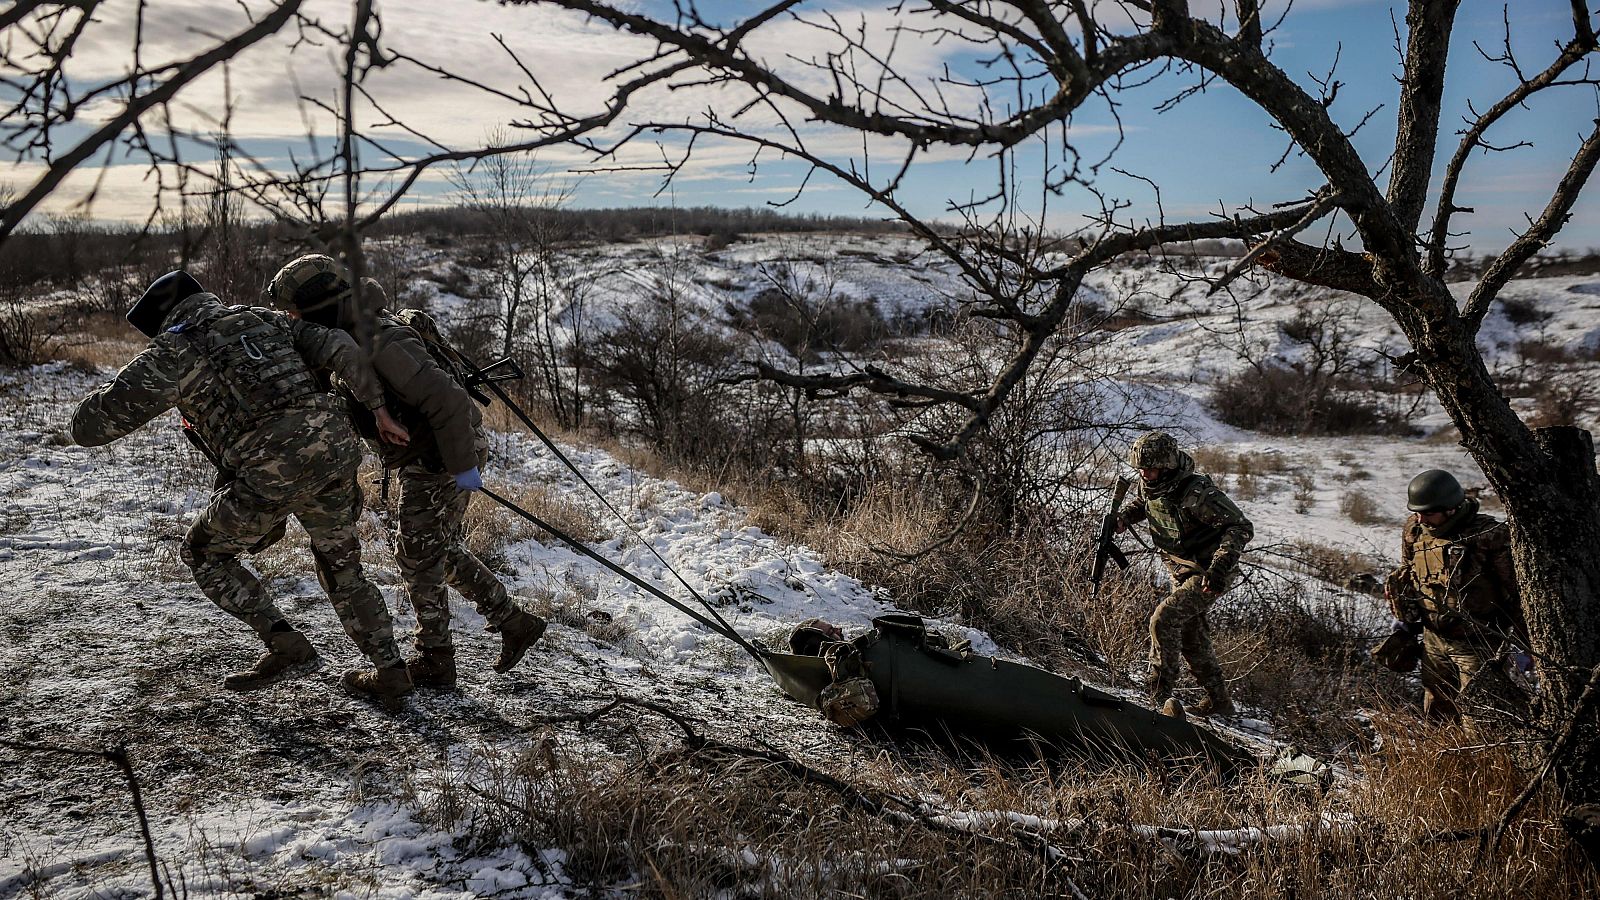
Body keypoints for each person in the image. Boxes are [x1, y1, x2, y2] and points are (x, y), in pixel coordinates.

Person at [70, 270, 415, 708]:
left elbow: (88, 428)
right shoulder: (266, 319)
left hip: (267, 470)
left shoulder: (171, 353)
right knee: (342, 564)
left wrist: (120, 383)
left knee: (204, 554)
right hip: (332, 451)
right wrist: (378, 409)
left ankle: (285, 644)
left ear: (160, 322)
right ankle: (390, 670)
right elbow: (339, 347)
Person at [264, 255, 547, 689]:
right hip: (431, 455)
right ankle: (512, 623)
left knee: (418, 556)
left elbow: (448, 401)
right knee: (435, 551)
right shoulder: (352, 335)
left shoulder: (380, 340)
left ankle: (436, 659)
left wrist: (461, 468)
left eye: (295, 310)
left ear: (317, 303)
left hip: (441, 456)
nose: (292, 319)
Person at [1113, 431, 1253, 717]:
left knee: (1163, 619)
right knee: (1191, 634)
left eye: (1150, 469)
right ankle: (1220, 701)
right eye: (1141, 469)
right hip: (1180, 567)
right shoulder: (1151, 482)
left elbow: (1240, 526)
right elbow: (1144, 503)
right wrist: (1124, 518)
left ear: (1167, 467)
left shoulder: (1197, 493)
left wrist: (1221, 566)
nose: (1144, 474)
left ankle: (1156, 693)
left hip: (1209, 571)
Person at [1385, 469, 1529, 725]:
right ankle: (1447, 764)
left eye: (1428, 513)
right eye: (1417, 512)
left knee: (1482, 719)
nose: (1420, 518)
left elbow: (1518, 592)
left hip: (1479, 644)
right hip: (1433, 638)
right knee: (1437, 716)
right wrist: (1405, 619)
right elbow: (1409, 572)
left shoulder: (1490, 536)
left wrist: (1525, 644)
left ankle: (1488, 765)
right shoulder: (1415, 529)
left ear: (1451, 508)